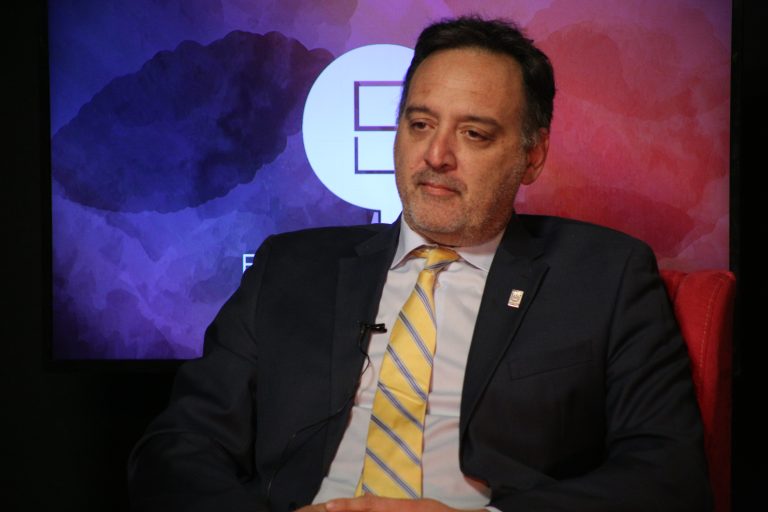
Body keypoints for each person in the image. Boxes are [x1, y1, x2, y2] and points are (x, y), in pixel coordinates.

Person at [127, 16, 712, 512]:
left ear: (532, 155)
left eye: (474, 134)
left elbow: (669, 473)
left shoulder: (605, 275)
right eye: (420, 124)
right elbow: (176, 447)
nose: (436, 155)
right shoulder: (290, 266)